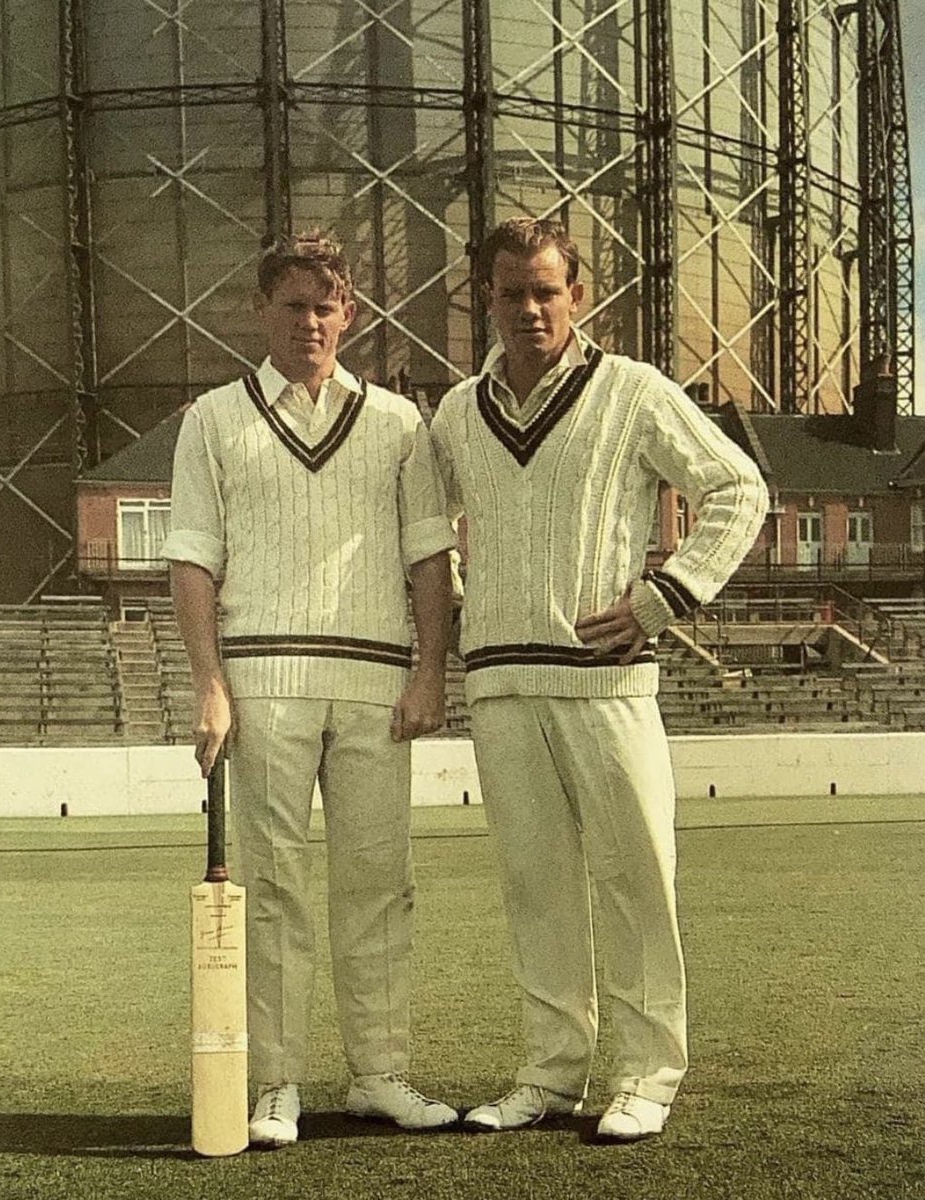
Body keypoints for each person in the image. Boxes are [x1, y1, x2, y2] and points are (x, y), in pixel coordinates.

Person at [430, 217, 768, 1141]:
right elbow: (422, 530)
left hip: (606, 683)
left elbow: (739, 488)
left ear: (577, 294)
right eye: (511, 293)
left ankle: (647, 1074)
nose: (530, 308)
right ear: (485, 301)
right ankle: (551, 1072)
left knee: (637, 880)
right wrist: (471, 601)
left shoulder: (633, 392)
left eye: (547, 290)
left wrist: (664, 598)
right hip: (500, 686)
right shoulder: (459, 412)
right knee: (536, 887)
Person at [163, 230, 458, 1147]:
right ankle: (277, 1083)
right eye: (293, 305)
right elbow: (193, 562)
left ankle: (379, 1073)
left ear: (350, 315)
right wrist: (211, 684)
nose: (310, 322)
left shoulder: (400, 422)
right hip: (264, 685)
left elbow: (427, 557)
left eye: (326, 306)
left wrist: (430, 672)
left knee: (379, 883)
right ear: (262, 312)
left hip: (374, 684)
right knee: (277, 887)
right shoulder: (213, 418)